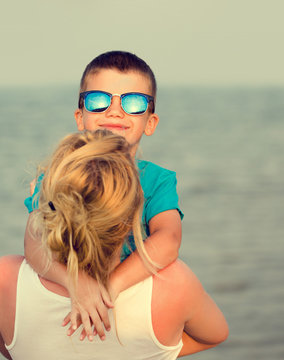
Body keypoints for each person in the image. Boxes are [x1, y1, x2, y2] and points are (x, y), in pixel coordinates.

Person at [0, 131, 228, 359]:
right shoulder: (174, 284)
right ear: (132, 218)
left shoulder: (4, 278)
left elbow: (1, 342)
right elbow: (215, 335)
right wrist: (161, 350)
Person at [24, 51, 184, 341]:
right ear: (80, 117)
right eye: (99, 100)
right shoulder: (59, 175)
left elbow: (168, 239)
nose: (114, 111)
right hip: (66, 301)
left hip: (128, 301)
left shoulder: (157, 181)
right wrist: (77, 284)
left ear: (150, 122)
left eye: (133, 102)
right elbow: (34, 240)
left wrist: (111, 286)